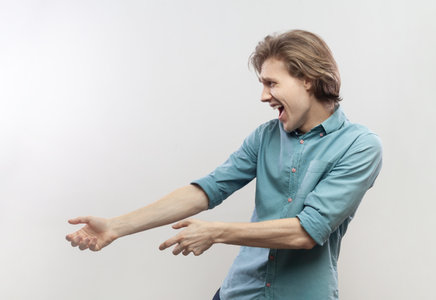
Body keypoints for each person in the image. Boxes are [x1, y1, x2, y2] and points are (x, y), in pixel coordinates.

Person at [66, 29, 382, 300]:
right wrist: (117, 226)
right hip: (239, 293)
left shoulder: (360, 147)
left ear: (308, 80)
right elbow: (207, 189)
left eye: (272, 83)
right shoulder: (265, 137)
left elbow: (306, 232)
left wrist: (216, 232)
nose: (263, 96)